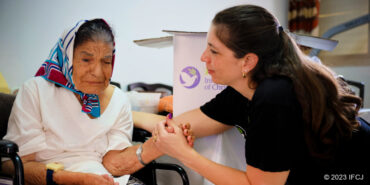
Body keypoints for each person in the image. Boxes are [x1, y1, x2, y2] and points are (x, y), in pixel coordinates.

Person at [136, 5, 370, 185]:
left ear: (248, 61)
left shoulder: (274, 96)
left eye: (214, 51)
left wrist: (184, 154)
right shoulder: (244, 88)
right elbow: (182, 123)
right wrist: (124, 108)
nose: (203, 58)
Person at [1, 19, 192, 185]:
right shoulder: (36, 91)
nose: (98, 72)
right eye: (86, 59)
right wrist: (75, 179)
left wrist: (157, 145)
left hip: (100, 177)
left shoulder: (118, 99)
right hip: (49, 179)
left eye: (106, 61)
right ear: (68, 59)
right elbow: (16, 165)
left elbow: (112, 163)